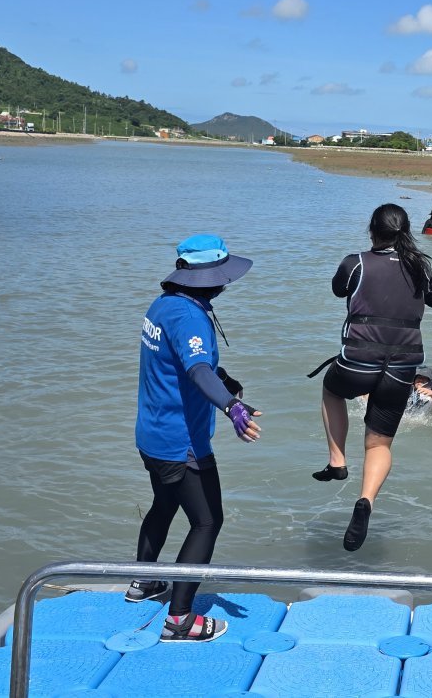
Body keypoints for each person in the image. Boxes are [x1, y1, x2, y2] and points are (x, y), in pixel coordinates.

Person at [131, 234, 262, 643]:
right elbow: (197, 371)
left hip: (150, 435)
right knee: (207, 521)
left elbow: (180, 364)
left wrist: (225, 383)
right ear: (209, 278)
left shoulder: (163, 306)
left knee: (164, 503)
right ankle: (181, 619)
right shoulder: (192, 318)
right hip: (181, 442)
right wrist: (232, 408)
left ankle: (144, 582)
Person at [309, 204, 432, 551]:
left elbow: (339, 290)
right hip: (401, 368)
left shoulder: (355, 262)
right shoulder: (421, 266)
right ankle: (366, 501)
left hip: (357, 361)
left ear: (372, 230)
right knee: (380, 443)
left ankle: (337, 461)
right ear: (406, 231)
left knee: (331, 390)